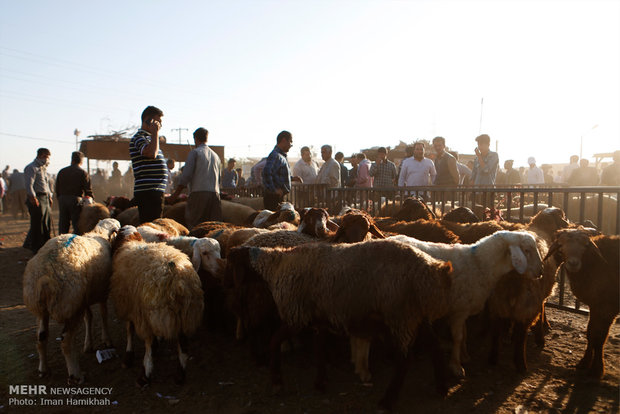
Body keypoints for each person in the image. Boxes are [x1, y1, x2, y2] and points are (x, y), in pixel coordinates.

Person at [170, 127, 222, 228]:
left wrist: (175, 195)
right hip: (215, 195)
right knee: (213, 227)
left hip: (198, 194)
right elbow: (219, 178)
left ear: (195, 139)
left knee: (195, 225)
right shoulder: (216, 156)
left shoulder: (195, 152)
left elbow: (186, 176)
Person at [129, 105, 168, 223]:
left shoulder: (150, 139)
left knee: (155, 227)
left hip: (155, 191)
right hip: (148, 193)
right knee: (151, 229)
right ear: (147, 120)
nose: (160, 126)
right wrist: (155, 133)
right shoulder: (139, 137)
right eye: (158, 122)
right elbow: (151, 153)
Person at [262, 130, 302, 210]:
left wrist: (292, 178)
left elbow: (277, 174)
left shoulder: (280, 156)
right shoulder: (275, 155)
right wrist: (274, 190)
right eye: (290, 141)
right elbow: (266, 173)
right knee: (274, 220)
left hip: (278, 196)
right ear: (284, 140)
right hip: (273, 198)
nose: (291, 145)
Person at [55, 151, 93, 234]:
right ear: (81, 161)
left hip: (62, 199)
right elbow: (88, 190)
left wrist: (60, 198)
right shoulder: (83, 173)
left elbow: (57, 188)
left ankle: (61, 241)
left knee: (63, 223)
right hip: (76, 200)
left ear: (72, 160)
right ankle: (76, 243)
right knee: (77, 224)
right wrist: (91, 202)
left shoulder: (62, 171)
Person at [23, 148, 52, 253]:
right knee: (37, 223)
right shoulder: (31, 167)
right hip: (37, 198)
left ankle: (44, 244)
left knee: (45, 222)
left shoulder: (43, 168)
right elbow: (29, 185)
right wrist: (33, 197)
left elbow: (46, 184)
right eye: (46, 157)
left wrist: (49, 196)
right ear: (41, 156)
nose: (47, 159)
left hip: (45, 197)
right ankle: (36, 247)